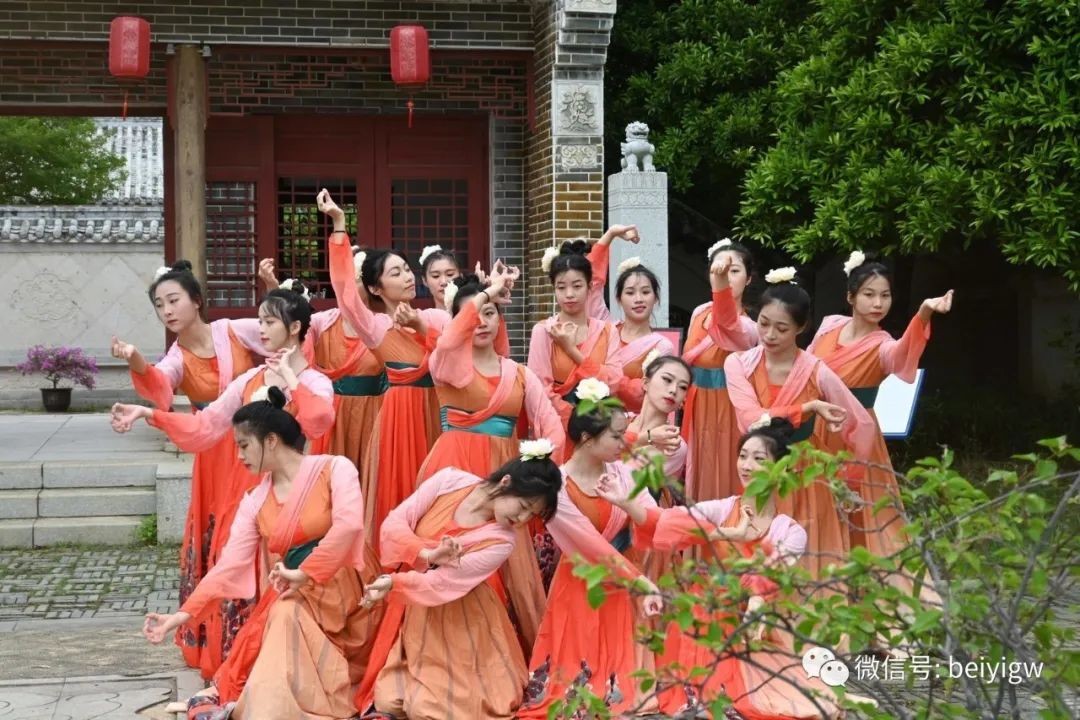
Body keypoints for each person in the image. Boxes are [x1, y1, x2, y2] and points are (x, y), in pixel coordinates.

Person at [112, 283, 336, 667]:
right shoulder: (249, 381)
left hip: (294, 495)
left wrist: (291, 378)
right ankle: (244, 659)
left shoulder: (316, 383)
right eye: (259, 321)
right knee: (236, 566)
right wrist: (150, 413)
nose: (261, 329)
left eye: (269, 322)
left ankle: (288, 661)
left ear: (295, 327)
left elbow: (318, 421)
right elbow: (205, 427)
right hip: (246, 492)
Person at [142, 389, 379, 720]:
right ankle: (275, 708)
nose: (238, 456)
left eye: (243, 445)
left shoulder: (335, 468)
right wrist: (180, 617)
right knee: (284, 614)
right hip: (295, 592)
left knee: (284, 615)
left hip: (347, 588)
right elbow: (229, 567)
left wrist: (306, 572)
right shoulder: (254, 499)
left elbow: (349, 525)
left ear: (270, 440)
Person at [602, 419, 848, 719]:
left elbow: (768, 578)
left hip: (751, 624)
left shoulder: (789, 530)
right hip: (704, 615)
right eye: (743, 456)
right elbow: (666, 522)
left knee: (793, 700)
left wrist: (754, 605)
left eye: (759, 459)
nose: (747, 465)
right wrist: (625, 503)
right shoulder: (723, 509)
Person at [110, 260, 268, 678]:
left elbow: (280, 336)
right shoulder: (176, 357)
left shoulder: (234, 331)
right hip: (214, 451)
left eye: (174, 300)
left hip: (255, 445)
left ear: (197, 300)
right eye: (159, 305)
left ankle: (265, 629)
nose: (167, 310)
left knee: (256, 530)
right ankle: (223, 637)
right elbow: (159, 385)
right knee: (224, 537)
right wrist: (136, 359)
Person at [355, 445, 563, 720]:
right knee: (389, 700)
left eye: (531, 515)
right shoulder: (449, 480)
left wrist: (393, 582)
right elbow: (394, 524)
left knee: (430, 710)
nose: (522, 519)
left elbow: (441, 583)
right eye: (523, 507)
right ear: (505, 482)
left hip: (460, 616)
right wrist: (427, 554)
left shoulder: (503, 540)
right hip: (415, 605)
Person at [808, 252, 952, 595]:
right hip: (816, 429)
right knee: (817, 502)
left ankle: (865, 587)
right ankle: (822, 580)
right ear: (850, 297)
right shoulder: (829, 326)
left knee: (863, 510)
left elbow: (902, 356)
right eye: (869, 294)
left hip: (856, 434)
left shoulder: (882, 345)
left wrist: (924, 313)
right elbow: (804, 367)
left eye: (885, 295)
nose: (877, 303)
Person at [518, 386, 664, 718]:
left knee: (621, 675)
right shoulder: (557, 486)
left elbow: (653, 516)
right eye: (616, 436)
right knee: (576, 671)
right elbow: (590, 546)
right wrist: (640, 582)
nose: (624, 443)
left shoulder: (621, 472)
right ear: (586, 438)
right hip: (582, 578)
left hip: (622, 578)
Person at [724, 270, 876, 583]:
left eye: (782, 328)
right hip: (758, 465)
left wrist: (849, 478)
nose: (769, 335)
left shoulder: (816, 370)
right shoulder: (738, 364)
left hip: (805, 469)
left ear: (801, 327)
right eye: (763, 323)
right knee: (759, 537)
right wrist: (806, 408)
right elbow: (751, 419)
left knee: (806, 542)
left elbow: (860, 422)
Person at [319, 190, 449, 542]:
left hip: (438, 413)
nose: (407, 277)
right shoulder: (376, 328)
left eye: (407, 269)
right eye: (396, 273)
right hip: (400, 418)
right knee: (402, 489)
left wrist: (421, 327)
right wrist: (339, 224)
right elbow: (345, 292)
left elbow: (457, 353)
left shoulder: (436, 317)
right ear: (376, 288)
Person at [681, 239, 759, 502]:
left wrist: (720, 285)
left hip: (730, 406)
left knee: (728, 468)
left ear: (749, 278)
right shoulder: (699, 312)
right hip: (697, 404)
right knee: (697, 469)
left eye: (734, 271)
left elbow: (726, 320)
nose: (727, 276)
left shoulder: (749, 327)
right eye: (721, 270)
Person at [528, 240, 623, 446]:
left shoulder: (608, 331)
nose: (569, 294)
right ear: (554, 289)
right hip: (556, 429)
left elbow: (614, 381)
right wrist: (575, 420)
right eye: (561, 287)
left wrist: (571, 350)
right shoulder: (544, 331)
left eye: (577, 286)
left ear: (590, 287)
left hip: (599, 429)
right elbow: (539, 389)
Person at [581, 225, 675, 413]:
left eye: (645, 292)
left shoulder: (661, 346)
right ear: (619, 299)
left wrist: (604, 375)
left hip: (639, 424)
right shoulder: (607, 328)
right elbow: (591, 285)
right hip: (598, 422)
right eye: (630, 292)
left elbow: (644, 393)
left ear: (656, 298)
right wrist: (610, 235)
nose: (638, 299)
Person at [417, 243, 461, 310]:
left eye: (450, 274)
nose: (444, 282)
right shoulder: (421, 316)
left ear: (461, 276)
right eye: (436, 276)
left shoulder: (475, 312)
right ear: (425, 281)